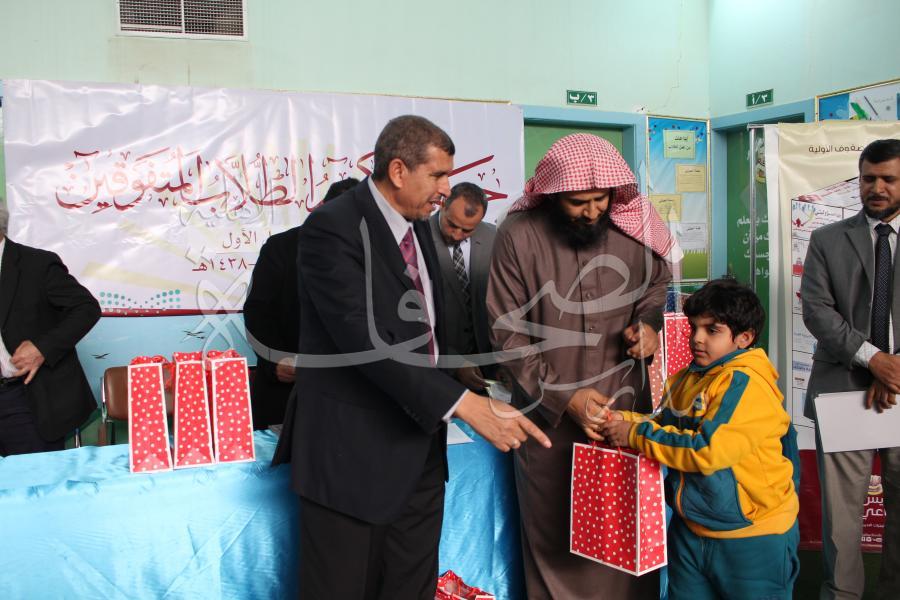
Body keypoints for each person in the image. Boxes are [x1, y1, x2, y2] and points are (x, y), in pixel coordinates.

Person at [272, 115, 550, 599]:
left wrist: (466, 383)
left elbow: (425, 333)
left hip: (420, 450)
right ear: (398, 170)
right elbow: (364, 342)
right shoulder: (333, 229)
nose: (446, 189)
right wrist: (463, 404)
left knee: (411, 587)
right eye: (438, 175)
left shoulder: (418, 227)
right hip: (351, 456)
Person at [486, 133, 675, 599]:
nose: (592, 212)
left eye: (601, 199)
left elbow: (657, 286)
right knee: (556, 541)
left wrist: (649, 326)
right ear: (552, 195)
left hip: (624, 417)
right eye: (578, 202)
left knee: (628, 538)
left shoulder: (634, 225)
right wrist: (564, 397)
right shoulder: (518, 235)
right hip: (548, 424)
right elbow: (507, 333)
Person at [600, 278, 800, 599]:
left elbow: (707, 451)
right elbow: (665, 427)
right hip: (691, 529)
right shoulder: (687, 377)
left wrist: (634, 433)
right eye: (694, 327)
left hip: (753, 536)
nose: (697, 338)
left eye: (712, 330)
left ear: (744, 338)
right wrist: (623, 420)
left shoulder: (745, 383)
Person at [800, 138, 900, 599]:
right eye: (868, 178)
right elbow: (818, 311)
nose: (876, 188)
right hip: (843, 390)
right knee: (841, 521)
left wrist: (894, 370)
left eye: (889, 179)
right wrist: (874, 360)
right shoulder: (826, 240)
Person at [244, 177, 359, 430]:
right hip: (286, 391)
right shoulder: (281, 247)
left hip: (349, 395)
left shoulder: (370, 255)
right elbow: (257, 312)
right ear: (321, 209)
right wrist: (275, 361)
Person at [0, 201, 101, 456]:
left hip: (25, 398)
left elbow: (86, 308)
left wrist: (42, 348)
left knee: (33, 477)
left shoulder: (37, 264)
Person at [428, 182, 497, 391]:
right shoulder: (417, 238)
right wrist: (454, 363)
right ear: (443, 205)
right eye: (452, 224)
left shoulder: (494, 238)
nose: (457, 235)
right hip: (436, 371)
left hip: (490, 371)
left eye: (467, 230)